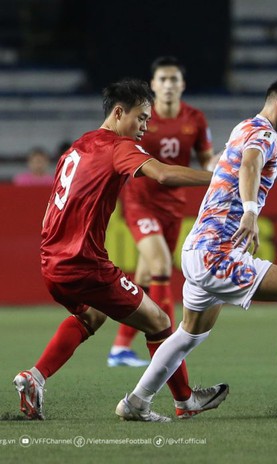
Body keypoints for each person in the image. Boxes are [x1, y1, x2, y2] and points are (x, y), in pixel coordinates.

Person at [114, 73, 277, 421]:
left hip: (197, 250)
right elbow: (251, 163)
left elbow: (276, 148)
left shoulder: (250, 127)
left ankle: (136, 402)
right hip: (218, 253)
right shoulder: (261, 137)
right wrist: (249, 211)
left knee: (187, 336)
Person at [12, 78, 228, 422]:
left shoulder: (77, 147)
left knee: (91, 316)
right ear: (118, 112)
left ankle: (34, 378)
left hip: (52, 262)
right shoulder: (117, 146)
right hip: (84, 264)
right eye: (141, 118)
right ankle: (186, 401)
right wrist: (220, 178)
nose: (145, 126)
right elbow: (163, 174)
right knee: (159, 321)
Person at [108, 56, 219, 368]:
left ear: (182, 85)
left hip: (173, 206)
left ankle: (119, 348)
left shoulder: (195, 118)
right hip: (139, 202)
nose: (168, 85)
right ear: (153, 85)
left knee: (144, 276)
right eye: (162, 80)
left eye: (174, 80)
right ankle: (170, 344)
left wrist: (219, 165)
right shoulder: (142, 117)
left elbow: (205, 158)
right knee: (160, 265)